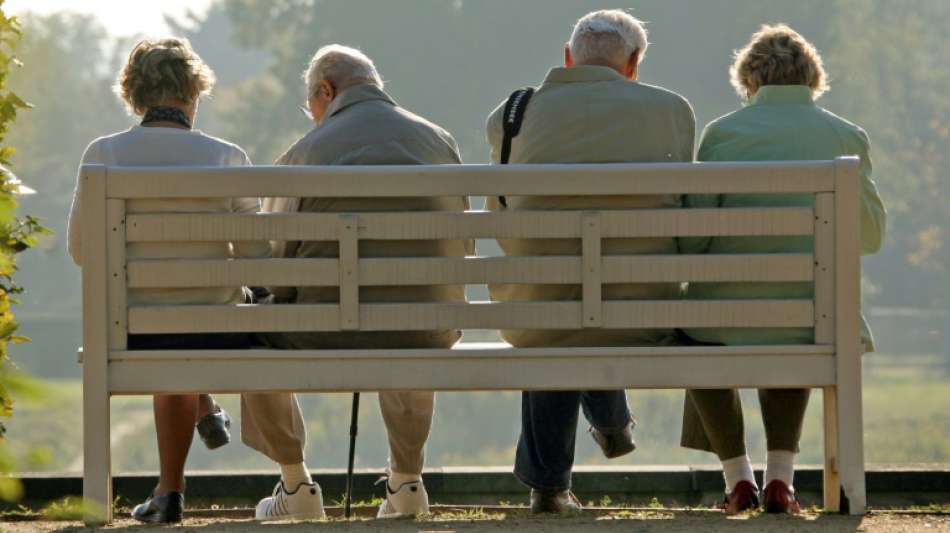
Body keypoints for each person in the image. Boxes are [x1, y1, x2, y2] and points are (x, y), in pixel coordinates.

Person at [240, 44, 472, 521]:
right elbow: (460, 249)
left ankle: (295, 485)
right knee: (415, 309)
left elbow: (273, 268)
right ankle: (407, 483)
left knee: (250, 327)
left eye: (312, 108)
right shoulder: (438, 141)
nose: (313, 118)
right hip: (426, 330)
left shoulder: (306, 153)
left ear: (326, 90)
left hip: (320, 330)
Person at [485, 9, 695, 514]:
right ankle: (611, 420)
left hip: (538, 310)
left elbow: (500, 215)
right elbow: (685, 211)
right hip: (642, 312)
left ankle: (550, 488)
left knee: (553, 303)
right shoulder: (671, 111)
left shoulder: (510, 115)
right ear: (634, 63)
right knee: (599, 287)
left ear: (567, 57)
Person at [678, 24, 886, 514]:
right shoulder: (847, 136)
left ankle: (738, 479)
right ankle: (780, 481)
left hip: (724, 322)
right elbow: (871, 237)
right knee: (801, 319)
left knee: (692, 330)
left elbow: (692, 240)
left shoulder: (722, 134)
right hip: (812, 318)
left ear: (749, 81)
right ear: (812, 79)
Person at [67, 38, 270, 523]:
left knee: (168, 327)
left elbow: (81, 251)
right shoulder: (226, 157)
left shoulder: (103, 155)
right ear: (193, 91)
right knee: (196, 319)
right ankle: (194, 428)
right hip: (214, 328)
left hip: (132, 328)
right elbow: (259, 257)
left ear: (135, 94)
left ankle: (170, 489)